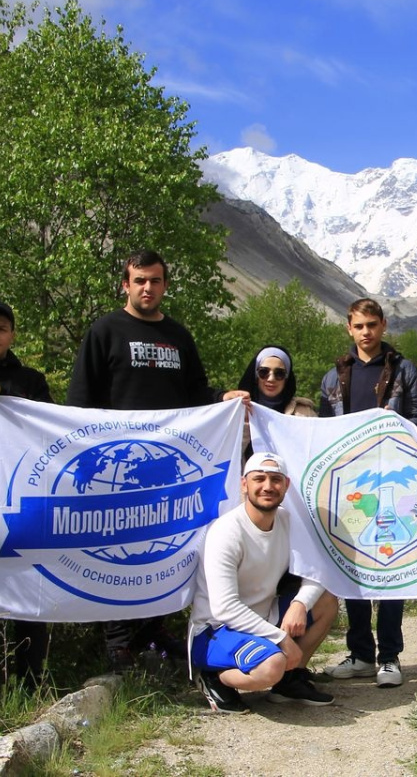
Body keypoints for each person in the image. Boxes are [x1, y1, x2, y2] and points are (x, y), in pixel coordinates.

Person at [66, 250, 250, 670]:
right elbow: (80, 399)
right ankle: (117, 639)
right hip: (117, 466)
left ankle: (153, 627)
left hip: (166, 468)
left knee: (164, 547)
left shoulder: (178, 336)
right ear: (125, 285)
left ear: (165, 285)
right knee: (116, 545)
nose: (147, 288)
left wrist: (223, 400)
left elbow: (196, 394)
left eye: (155, 280)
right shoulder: (104, 331)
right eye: (139, 280)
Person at [320, 298, 417, 688]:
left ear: (383, 326)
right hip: (351, 484)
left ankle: (391, 657)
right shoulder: (333, 376)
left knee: (391, 565)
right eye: (359, 325)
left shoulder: (403, 370)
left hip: (393, 479)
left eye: (372, 325)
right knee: (355, 565)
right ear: (349, 328)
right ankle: (362, 654)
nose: (366, 332)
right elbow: (321, 431)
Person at [190, 451, 338, 712]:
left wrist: (300, 605)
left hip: (262, 617)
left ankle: (289, 681)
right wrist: (281, 638)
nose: (268, 486)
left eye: (275, 479)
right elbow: (225, 608)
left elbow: (317, 571)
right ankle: (213, 677)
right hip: (216, 629)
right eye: (259, 479)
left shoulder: (287, 521)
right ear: (244, 484)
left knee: (325, 601)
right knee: (271, 667)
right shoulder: (226, 532)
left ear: (286, 486)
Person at [0, 301, 53, 688]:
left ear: (13, 334)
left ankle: (31, 685)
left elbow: (52, 430)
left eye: (2, 327)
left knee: (29, 595)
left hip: (23, 502)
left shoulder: (31, 381)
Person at [237, 344, 316, 460]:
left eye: (279, 373)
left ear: (287, 377)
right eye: (264, 372)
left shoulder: (304, 413)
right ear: (255, 375)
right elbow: (225, 457)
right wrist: (245, 423)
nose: (271, 379)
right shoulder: (237, 410)